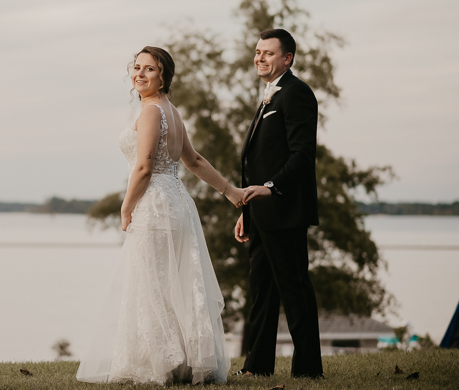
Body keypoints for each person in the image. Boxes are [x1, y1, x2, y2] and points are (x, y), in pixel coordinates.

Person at [76, 46, 242, 385]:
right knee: (171, 283)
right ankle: (181, 361)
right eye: (136, 68)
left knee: (152, 283)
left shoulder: (153, 111)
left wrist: (126, 208)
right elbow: (193, 161)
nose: (139, 74)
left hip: (154, 204)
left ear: (163, 76)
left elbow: (144, 165)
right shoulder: (172, 111)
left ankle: (160, 364)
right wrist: (230, 191)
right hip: (177, 202)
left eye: (149, 69)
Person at [234, 28, 324, 378]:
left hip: (285, 210)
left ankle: (308, 370)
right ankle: (257, 368)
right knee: (262, 293)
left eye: (268, 53)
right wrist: (246, 212)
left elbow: (302, 156)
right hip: (260, 213)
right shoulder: (269, 95)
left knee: (295, 291)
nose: (260, 57)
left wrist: (271, 187)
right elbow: (255, 161)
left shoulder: (296, 93)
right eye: (257, 52)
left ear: (287, 58)